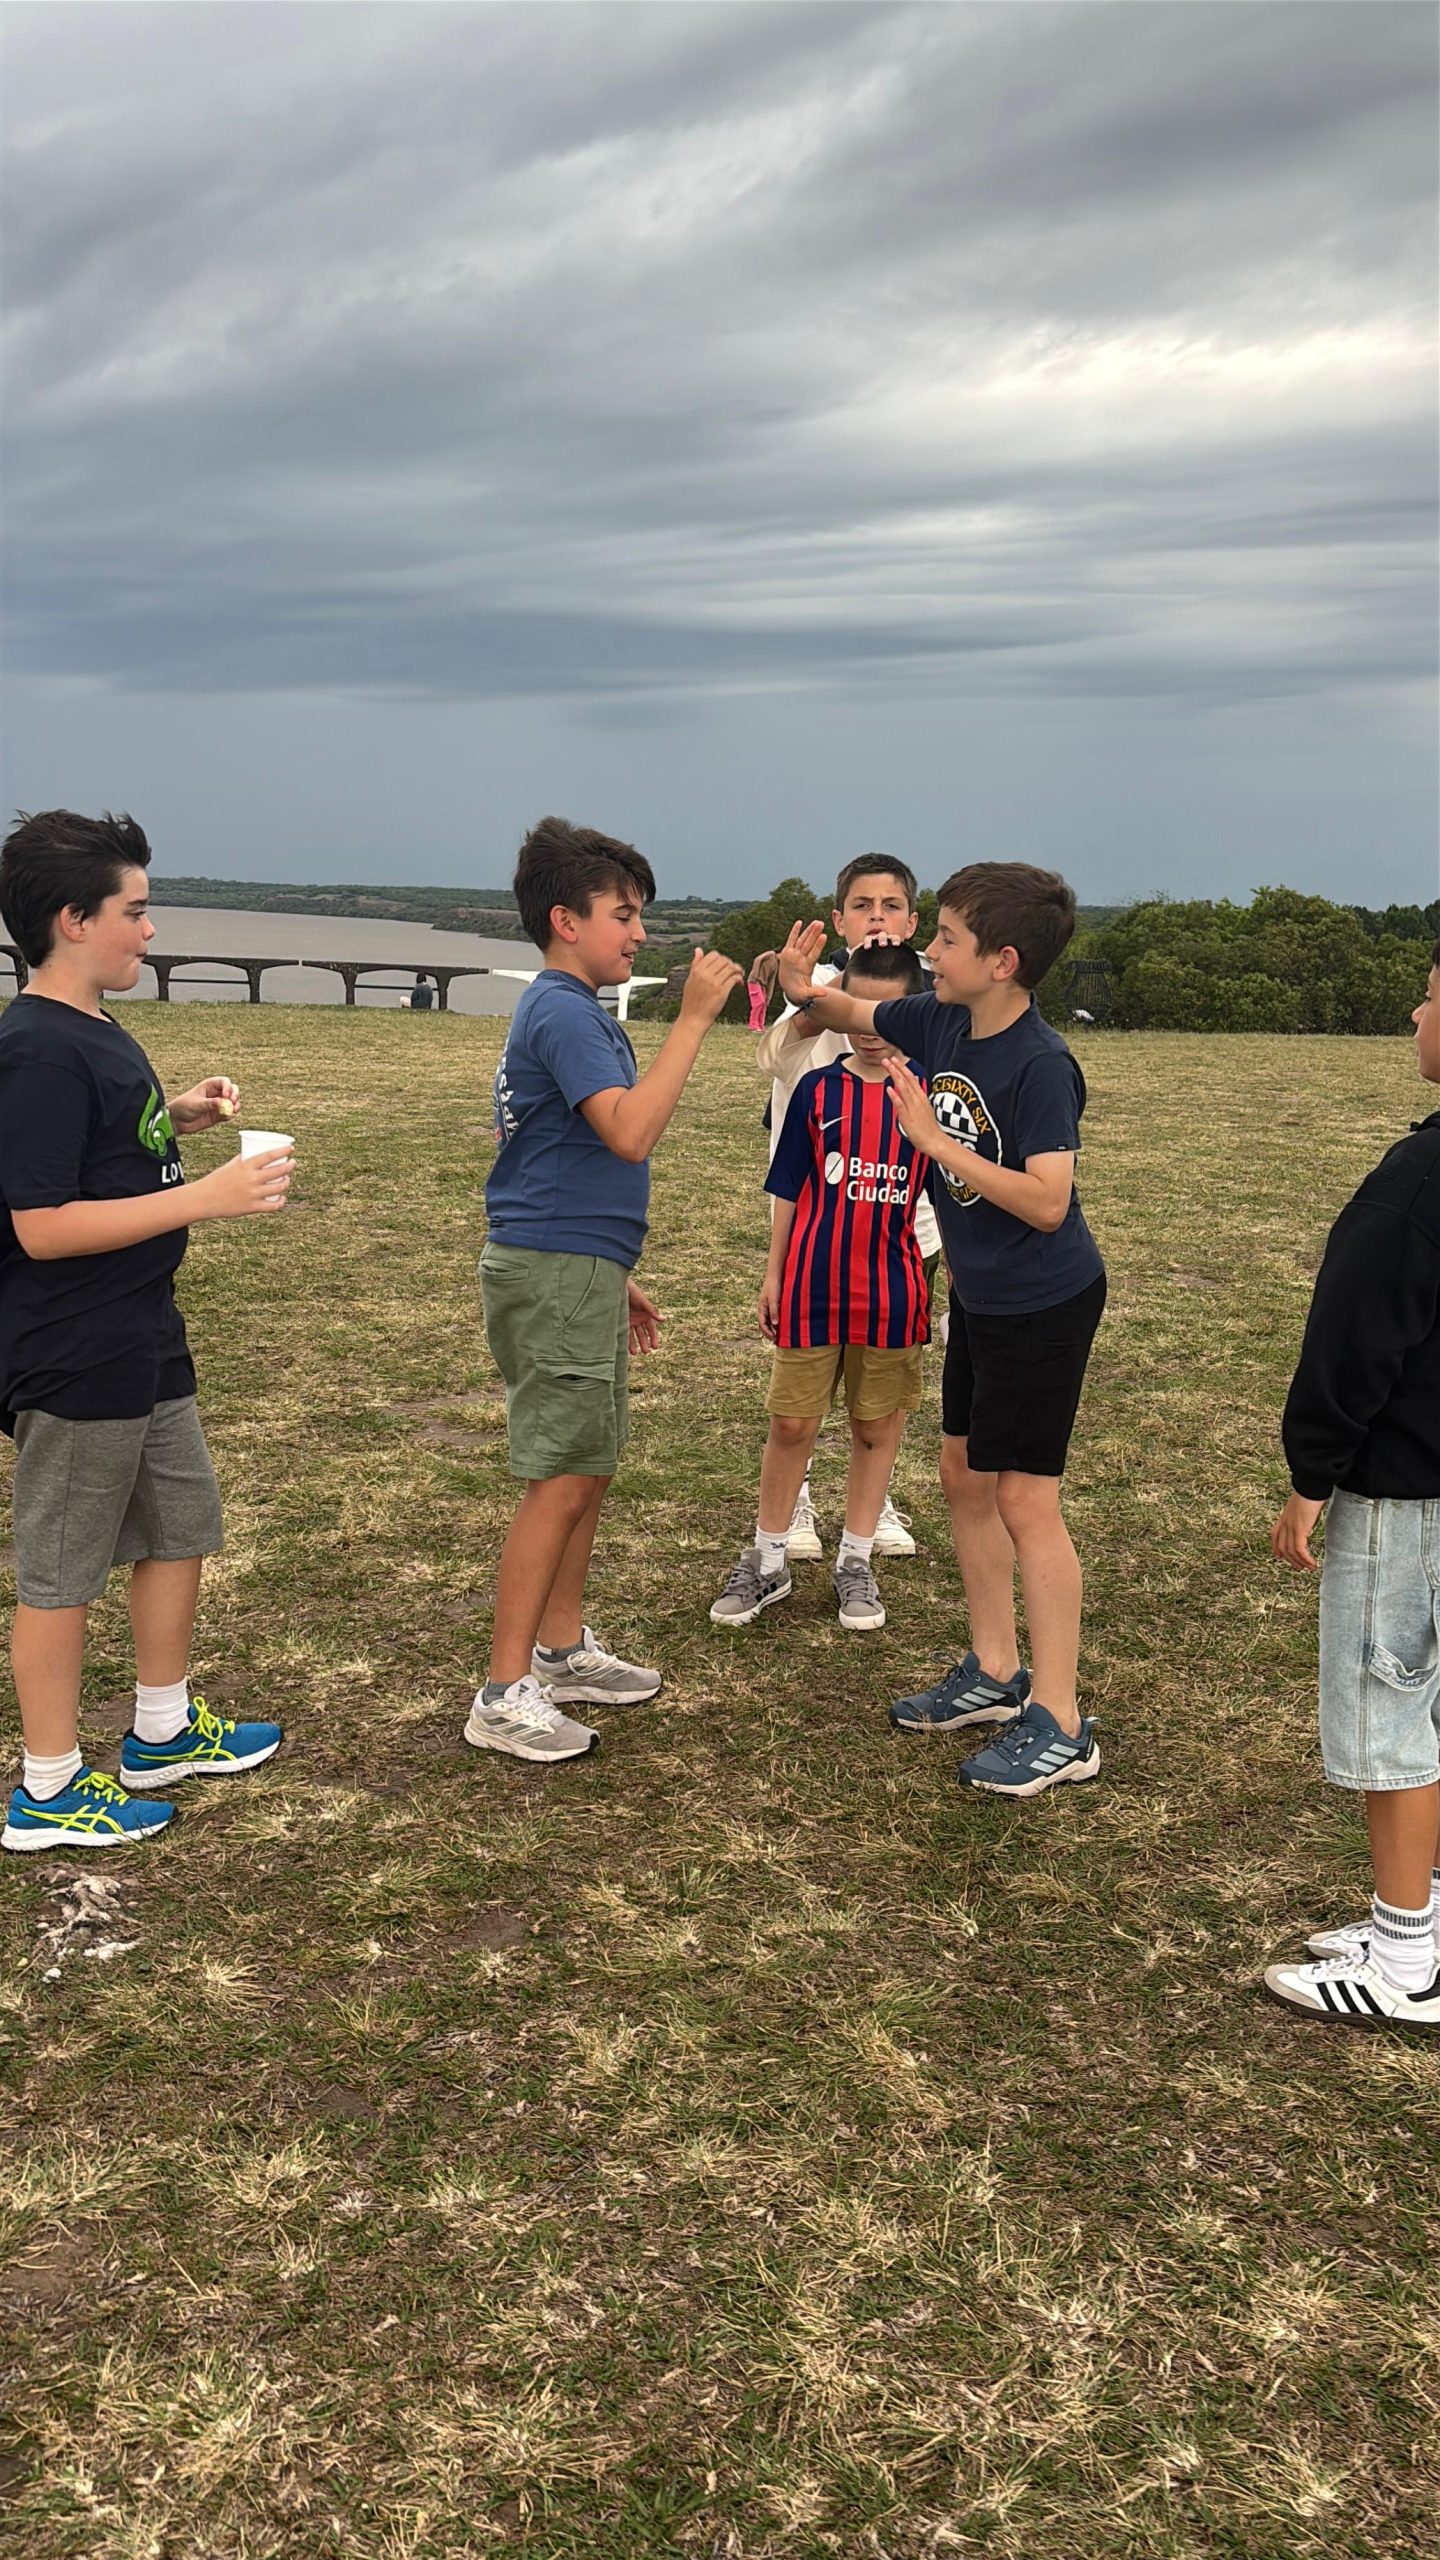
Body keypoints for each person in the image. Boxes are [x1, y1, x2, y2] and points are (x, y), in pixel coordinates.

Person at [778, 861, 1106, 1799]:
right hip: (984, 1302)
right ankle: (996, 1670)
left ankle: (1061, 1721)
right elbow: (852, 1011)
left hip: (1044, 1304)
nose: (929, 949)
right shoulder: (940, 1020)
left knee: (1025, 1501)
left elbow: (1048, 1201)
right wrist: (802, 989)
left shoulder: (1041, 1063)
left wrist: (934, 1143)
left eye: (948, 938)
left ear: (1003, 962)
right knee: (963, 1477)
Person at [0, 810, 293, 1853]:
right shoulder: (35, 1048)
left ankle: (162, 1731)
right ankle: (46, 1787)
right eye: (134, 910)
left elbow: (95, 1147)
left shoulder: (88, 1030)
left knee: (179, 1525)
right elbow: (40, 1225)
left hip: (140, 1331)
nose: (150, 929)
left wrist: (176, 1115)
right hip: (73, 1346)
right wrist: (203, 1200)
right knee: (63, 1567)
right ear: (73, 920)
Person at [469, 816, 742, 1764]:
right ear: (565, 920)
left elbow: (561, 1151)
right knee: (561, 1476)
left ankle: (559, 1651)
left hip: (575, 1266)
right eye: (622, 915)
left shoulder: (566, 1010)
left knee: (586, 1463)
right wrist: (694, 1021)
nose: (639, 933)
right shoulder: (565, 1012)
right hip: (554, 1268)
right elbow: (629, 1132)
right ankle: (502, 1693)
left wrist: (611, 1273)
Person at [1262, 943, 1440, 2029]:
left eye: (1430, 996)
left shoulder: (1417, 1180)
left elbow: (1356, 1335)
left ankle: (1406, 1955)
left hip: (1404, 1494)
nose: (1416, 1015)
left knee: (1394, 1714)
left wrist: (1312, 1473)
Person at [711, 941, 931, 1636]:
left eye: (887, 1013)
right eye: (856, 1009)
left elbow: (951, 1198)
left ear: (916, 1012)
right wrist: (774, 1273)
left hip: (892, 1293)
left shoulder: (929, 1095)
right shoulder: (816, 1089)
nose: (870, 1027)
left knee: (875, 1427)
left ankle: (855, 1559)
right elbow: (788, 1187)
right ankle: (769, 1558)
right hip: (813, 1284)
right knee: (792, 1424)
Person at [754, 853, 942, 1564]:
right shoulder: (815, 988)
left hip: (906, 1225)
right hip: (818, 1218)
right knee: (801, 1392)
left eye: (890, 906)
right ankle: (796, 1501)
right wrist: (810, 1000)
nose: (876, 918)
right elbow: (773, 1059)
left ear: (912, 921)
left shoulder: (932, 999)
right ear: (839, 919)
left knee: (882, 1389)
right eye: (862, 905)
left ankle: (873, 1502)